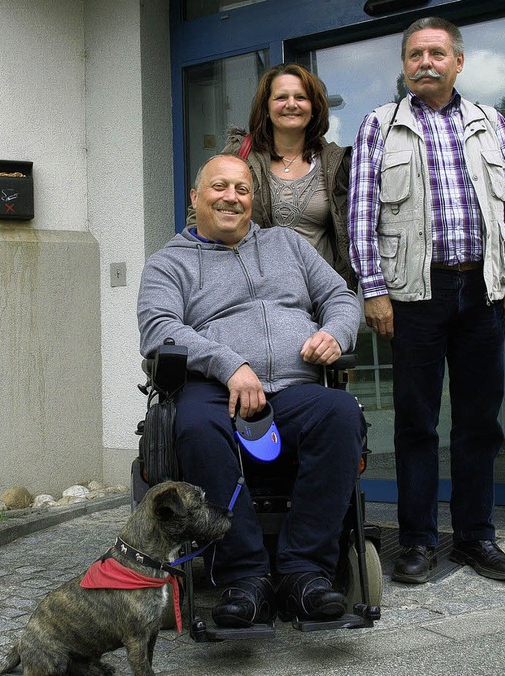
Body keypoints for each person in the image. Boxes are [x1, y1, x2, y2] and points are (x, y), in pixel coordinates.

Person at [348, 17, 505, 584]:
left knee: (480, 421)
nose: (424, 62)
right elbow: (363, 213)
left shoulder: (492, 123)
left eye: (436, 52)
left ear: (458, 61)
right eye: (414, 54)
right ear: (405, 65)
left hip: (482, 289)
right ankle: (417, 541)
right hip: (415, 294)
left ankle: (477, 537)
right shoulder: (380, 125)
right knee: (415, 422)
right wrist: (375, 290)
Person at [139, 153, 364, 628]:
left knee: (341, 414)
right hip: (214, 390)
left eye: (242, 189)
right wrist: (229, 364)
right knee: (196, 425)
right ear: (196, 197)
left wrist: (337, 332)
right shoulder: (168, 263)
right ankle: (246, 577)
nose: (231, 198)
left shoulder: (288, 244)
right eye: (219, 187)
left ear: (253, 200)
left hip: (295, 384)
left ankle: (304, 572)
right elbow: (158, 328)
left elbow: (340, 296)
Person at [187, 62, 355, 290]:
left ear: (314, 107)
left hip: (316, 295)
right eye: (281, 97)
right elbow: (200, 215)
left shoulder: (335, 162)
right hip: (250, 293)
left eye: (301, 97)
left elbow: (352, 233)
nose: (291, 104)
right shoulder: (240, 154)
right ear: (266, 107)